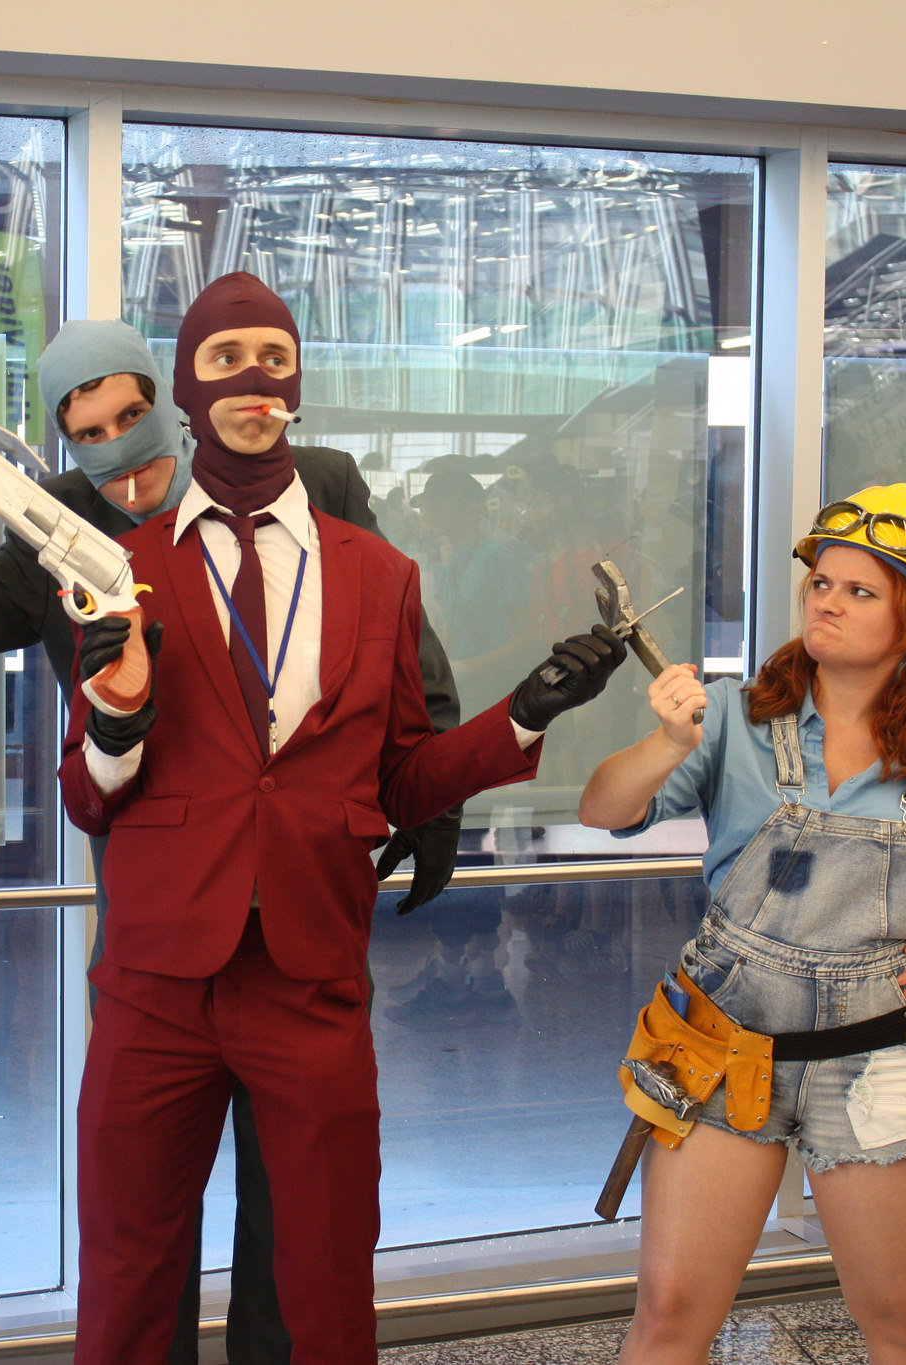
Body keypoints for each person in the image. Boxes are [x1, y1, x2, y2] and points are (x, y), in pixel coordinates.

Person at [59, 272, 627, 1363]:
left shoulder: (380, 574)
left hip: (309, 973)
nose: (253, 379)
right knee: (126, 1276)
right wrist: (118, 717)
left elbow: (399, 782)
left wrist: (524, 712)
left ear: (298, 383)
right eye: (226, 360)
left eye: (273, 358)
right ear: (185, 388)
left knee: (326, 1282)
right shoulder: (118, 568)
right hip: (154, 981)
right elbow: (85, 795)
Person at [0, 317, 465, 1363]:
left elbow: (401, 643)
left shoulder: (315, 482)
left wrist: (434, 801)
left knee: (299, 1220)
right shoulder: (59, 524)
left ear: (171, 401)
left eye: (133, 416)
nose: (121, 454)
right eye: (88, 432)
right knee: (141, 1222)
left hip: (299, 918)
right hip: (158, 924)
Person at [580, 483, 906, 1365]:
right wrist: (668, 744)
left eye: (860, 591)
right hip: (720, 1049)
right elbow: (604, 808)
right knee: (669, 1312)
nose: (827, 602)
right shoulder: (735, 718)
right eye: (822, 583)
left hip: (883, 1061)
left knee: (903, 1322)